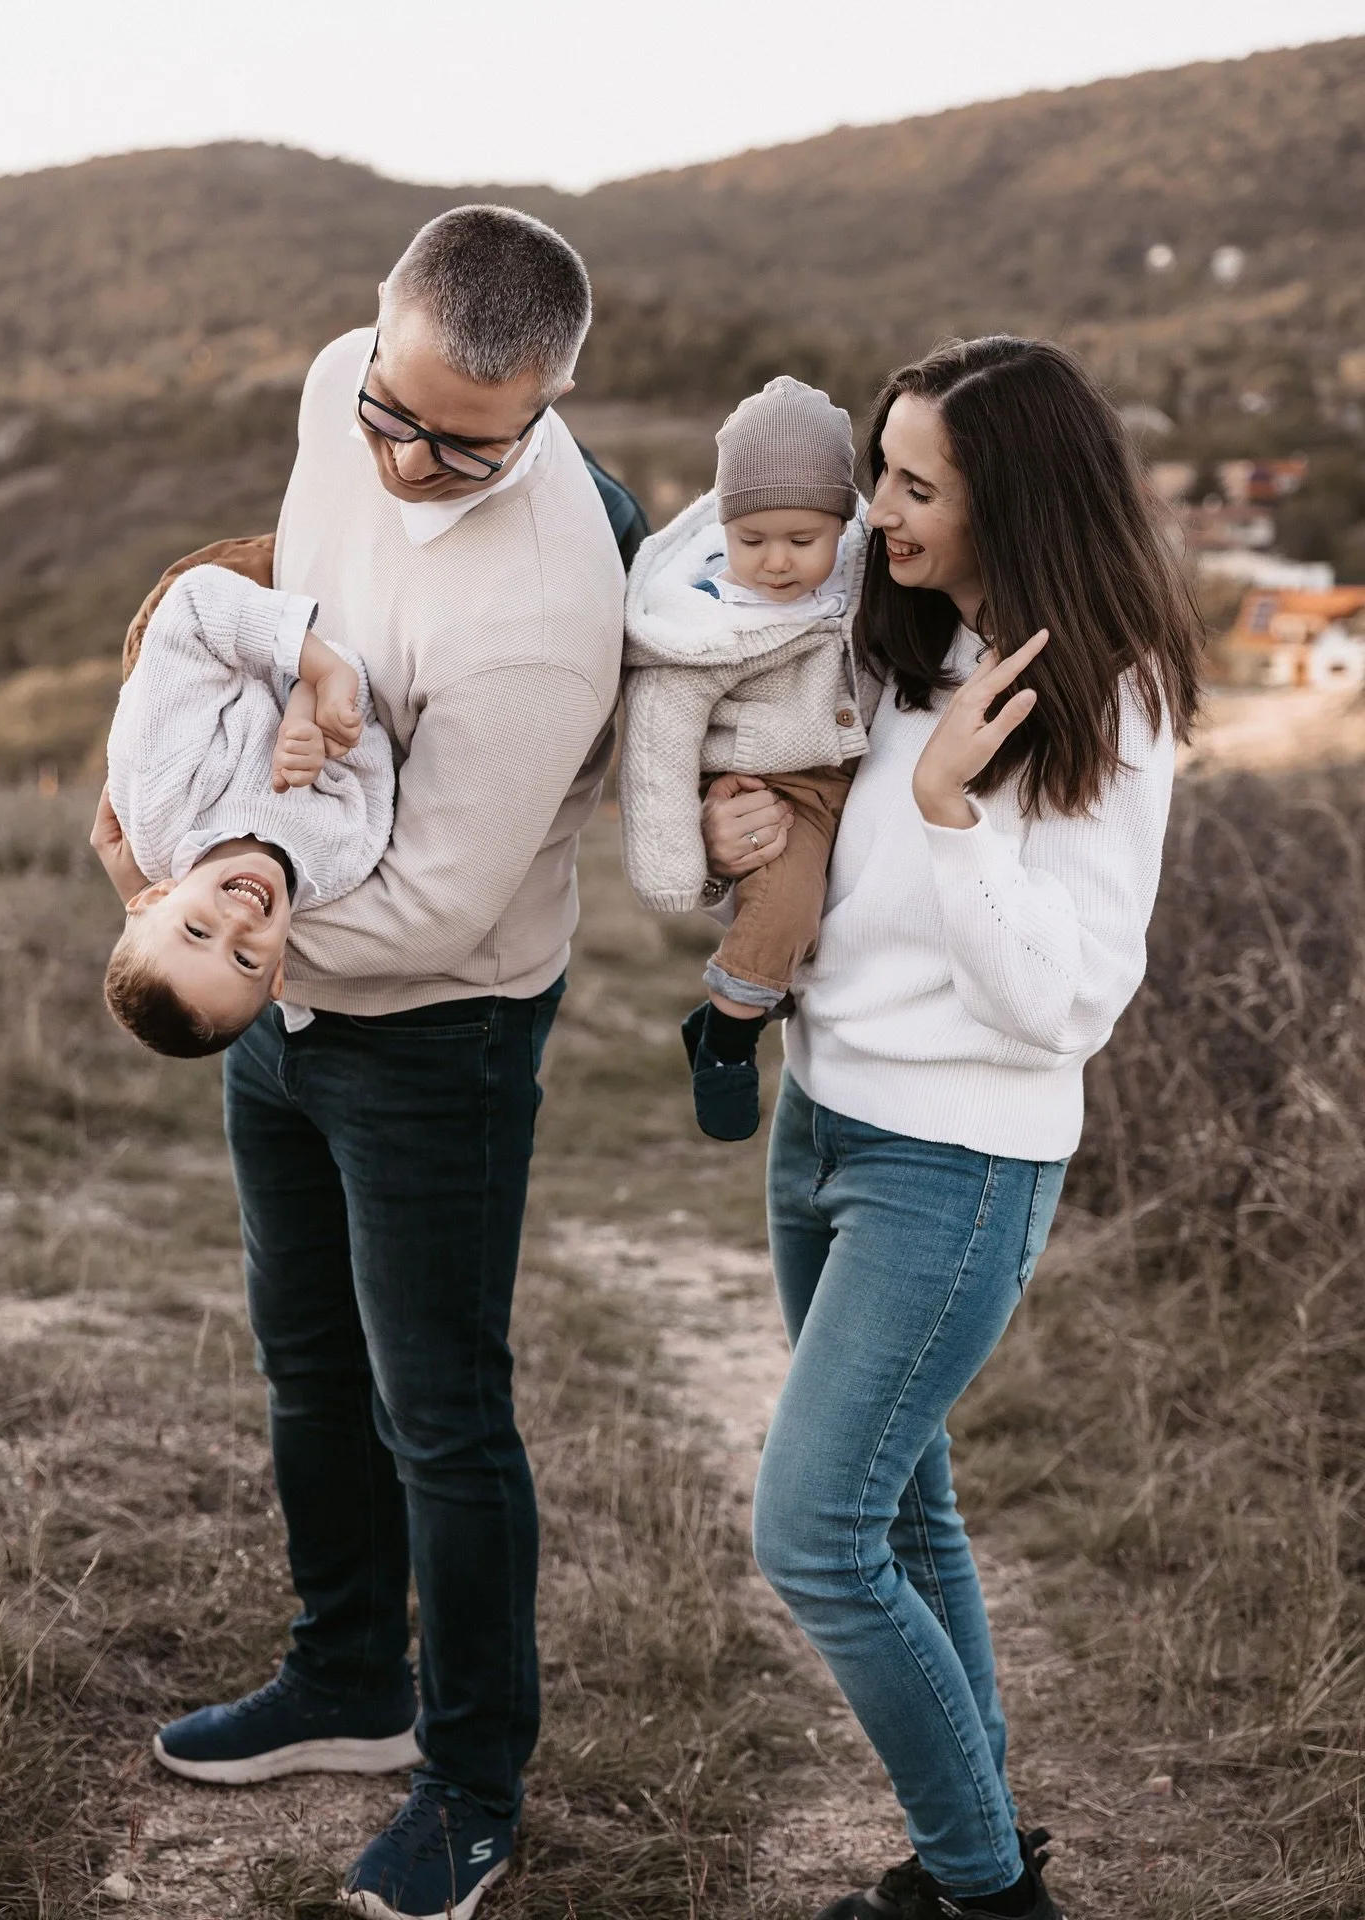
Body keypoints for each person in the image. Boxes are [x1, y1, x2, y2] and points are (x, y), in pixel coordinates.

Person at [94, 205, 625, 1920]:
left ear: (550, 403)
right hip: (283, 985)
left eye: (461, 444)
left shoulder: (549, 610)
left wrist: (198, 915)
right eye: (391, 413)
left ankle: (473, 1785)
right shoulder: (348, 387)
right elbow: (279, 596)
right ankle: (344, 1681)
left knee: (442, 1417)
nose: (401, 459)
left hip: (436, 1037)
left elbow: (434, 914)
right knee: (308, 1364)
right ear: (373, 344)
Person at [699, 336, 1202, 1920]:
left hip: (961, 1168)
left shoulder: (1108, 704)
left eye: (918, 487)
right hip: (822, 1126)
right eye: (881, 472)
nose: (878, 513)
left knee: (816, 1537)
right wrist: (745, 840)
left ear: (1016, 503)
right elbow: (835, 898)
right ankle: (964, 1855)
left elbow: (1064, 1005)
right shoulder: (897, 641)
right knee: (905, 1507)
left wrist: (952, 816)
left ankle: (989, 1895)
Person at [620, 376, 872, 1141]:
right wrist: (672, 864)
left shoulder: (862, 580)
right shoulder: (708, 622)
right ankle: (728, 1040)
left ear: (843, 522)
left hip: (843, 778)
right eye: (751, 540)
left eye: (803, 541)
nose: (775, 564)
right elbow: (660, 734)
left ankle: (736, 1005)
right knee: (787, 899)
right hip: (772, 782)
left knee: (819, 920)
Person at [98, 563, 393, 1057]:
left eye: (197, 930)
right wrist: (316, 714)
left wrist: (319, 668)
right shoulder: (339, 864)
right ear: (280, 972)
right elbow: (370, 740)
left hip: (255, 574)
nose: (236, 923)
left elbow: (192, 605)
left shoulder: (159, 806)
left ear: (152, 898)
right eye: (245, 961)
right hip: (353, 599)